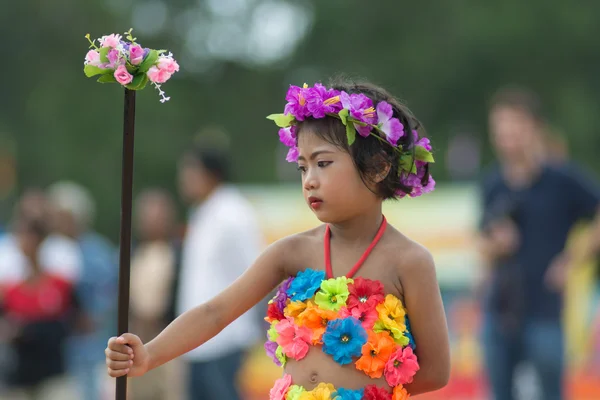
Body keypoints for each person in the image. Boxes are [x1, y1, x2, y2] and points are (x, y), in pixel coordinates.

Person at [105, 79, 451, 398]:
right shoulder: (291, 252)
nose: (309, 180)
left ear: (378, 167)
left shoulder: (410, 261)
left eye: (323, 163)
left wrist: (366, 390)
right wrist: (149, 354)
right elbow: (215, 312)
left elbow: (436, 371)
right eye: (303, 167)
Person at [477, 87, 600, 400]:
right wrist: (495, 246)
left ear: (533, 127)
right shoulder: (492, 183)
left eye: (514, 126)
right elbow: (481, 243)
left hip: (544, 309)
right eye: (499, 128)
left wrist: (571, 260)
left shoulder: (562, 180)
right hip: (499, 311)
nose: (507, 136)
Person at [175, 137, 264, 400]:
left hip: (226, 337)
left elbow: (255, 273)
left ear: (210, 174)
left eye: (190, 171)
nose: (184, 178)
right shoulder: (201, 213)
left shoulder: (234, 213)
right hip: (195, 340)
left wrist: (252, 329)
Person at [46, 181, 118, 400]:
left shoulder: (99, 252)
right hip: (56, 347)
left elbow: (110, 294)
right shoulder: (47, 251)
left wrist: (94, 315)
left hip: (94, 344)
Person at [0, 217, 79, 400]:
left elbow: (77, 318)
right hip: (19, 375)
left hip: (54, 373)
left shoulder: (59, 284)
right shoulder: (11, 289)